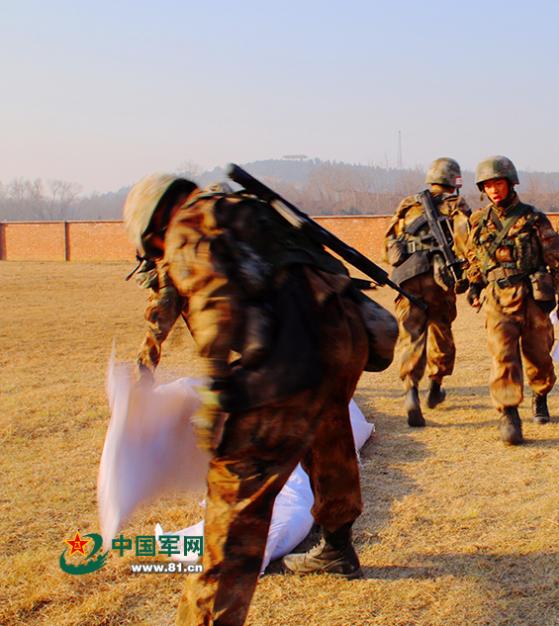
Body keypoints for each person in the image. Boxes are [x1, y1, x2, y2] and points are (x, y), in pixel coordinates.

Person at [124, 174, 383, 625]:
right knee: (329, 439)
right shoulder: (252, 211)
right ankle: (339, 549)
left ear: (153, 225)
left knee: (236, 502)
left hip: (286, 362)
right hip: (343, 342)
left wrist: (218, 392)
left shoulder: (189, 223)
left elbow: (215, 309)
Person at [464, 155, 559, 445]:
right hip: (497, 298)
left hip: (531, 297)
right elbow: (473, 256)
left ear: (510, 183)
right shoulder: (479, 221)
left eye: (498, 183)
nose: (494, 190)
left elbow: (557, 260)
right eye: (488, 185)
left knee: (538, 356)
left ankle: (540, 394)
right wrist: (474, 284)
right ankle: (509, 412)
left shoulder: (533, 218)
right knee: (502, 354)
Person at [384, 157, 471, 427]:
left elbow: (389, 244)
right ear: (453, 181)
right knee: (441, 331)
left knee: (411, 336)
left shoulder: (408, 204)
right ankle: (435, 387)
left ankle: (411, 391)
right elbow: (465, 238)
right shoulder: (455, 204)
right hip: (439, 280)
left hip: (407, 278)